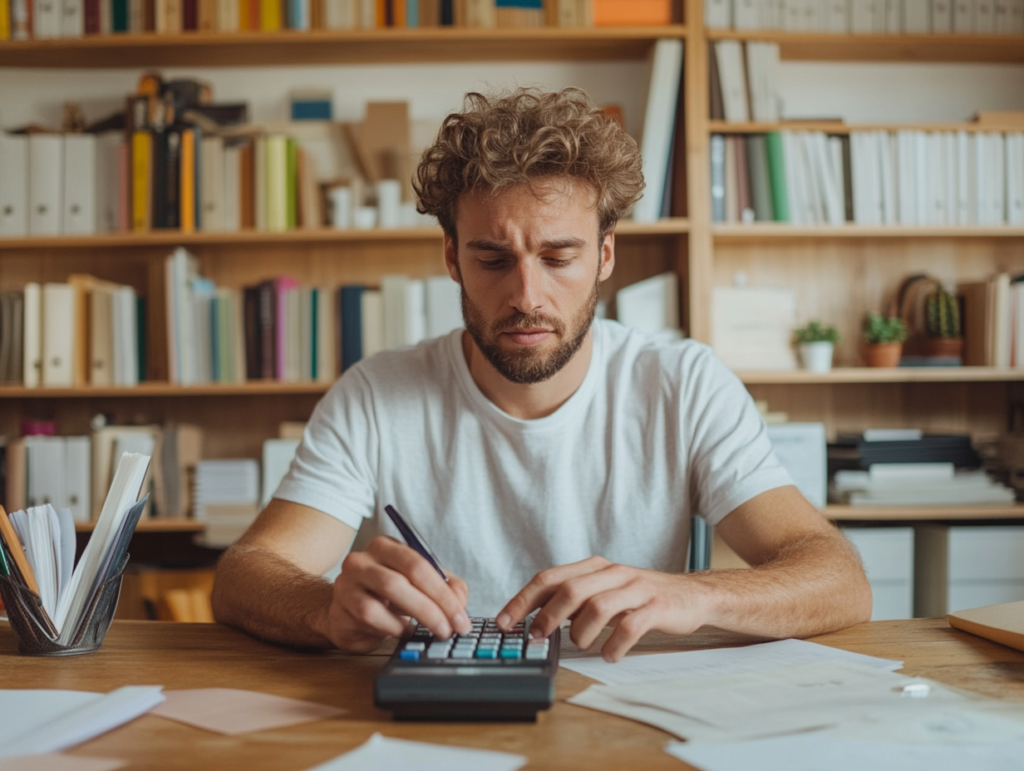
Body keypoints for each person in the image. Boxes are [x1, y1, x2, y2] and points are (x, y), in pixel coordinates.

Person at [212, 87, 871, 662]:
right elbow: (246, 574)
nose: (527, 295)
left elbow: (838, 578)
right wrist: (325, 611)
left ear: (606, 254)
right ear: (451, 257)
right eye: (494, 259)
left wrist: (690, 592)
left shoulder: (683, 384)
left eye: (559, 257)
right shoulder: (377, 394)